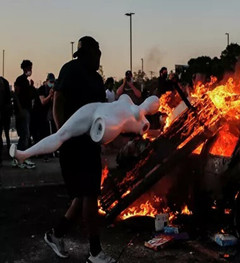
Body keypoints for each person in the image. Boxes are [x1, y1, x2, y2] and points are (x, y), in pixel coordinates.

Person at [45, 36, 116, 262]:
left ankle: (55, 235)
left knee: (82, 196)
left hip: (90, 143)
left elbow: (100, 112)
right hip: (73, 143)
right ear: (88, 53)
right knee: (89, 194)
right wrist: (62, 134)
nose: (99, 57)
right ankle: (95, 252)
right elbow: (58, 102)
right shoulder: (71, 70)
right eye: (97, 53)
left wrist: (106, 138)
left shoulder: (96, 79)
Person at [9, 93, 160, 163]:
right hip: (96, 109)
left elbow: (141, 135)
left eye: (154, 103)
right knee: (62, 134)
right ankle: (24, 154)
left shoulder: (143, 123)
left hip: (110, 123)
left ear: (154, 109)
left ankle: (25, 154)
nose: (152, 102)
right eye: (152, 100)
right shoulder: (128, 100)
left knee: (66, 135)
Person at [13, 60, 36, 169]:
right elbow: (16, 95)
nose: (30, 70)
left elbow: (30, 96)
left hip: (27, 110)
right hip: (23, 111)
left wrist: (31, 87)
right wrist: (20, 109)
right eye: (29, 68)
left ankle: (21, 157)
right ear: (25, 68)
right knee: (24, 134)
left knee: (26, 135)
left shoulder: (27, 82)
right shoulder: (20, 80)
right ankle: (20, 157)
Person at [37, 73, 56, 161]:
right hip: (42, 115)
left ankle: (53, 152)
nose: (51, 84)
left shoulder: (53, 89)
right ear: (47, 81)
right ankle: (44, 153)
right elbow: (43, 102)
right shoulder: (42, 89)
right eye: (51, 82)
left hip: (51, 115)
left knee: (53, 133)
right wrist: (50, 96)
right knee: (44, 134)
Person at [0, 77, 11, 167]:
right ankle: (8, 151)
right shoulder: (5, 82)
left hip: (4, 113)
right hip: (5, 113)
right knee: (6, 133)